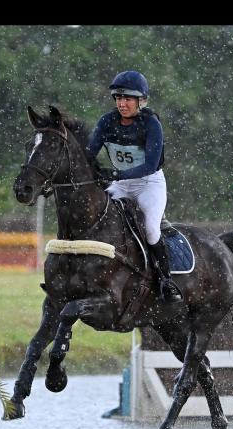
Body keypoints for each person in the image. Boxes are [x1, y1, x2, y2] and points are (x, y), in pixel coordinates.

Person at [87, 70, 183, 304]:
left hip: (149, 184)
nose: (122, 103)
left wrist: (116, 174)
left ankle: (166, 281)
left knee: (150, 229)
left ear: (141, 101)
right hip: (120, 184)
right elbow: (89, 153)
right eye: (119, 98)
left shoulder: (151, 124)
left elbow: (150, 165)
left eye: (128, 98)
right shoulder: (107, 122)